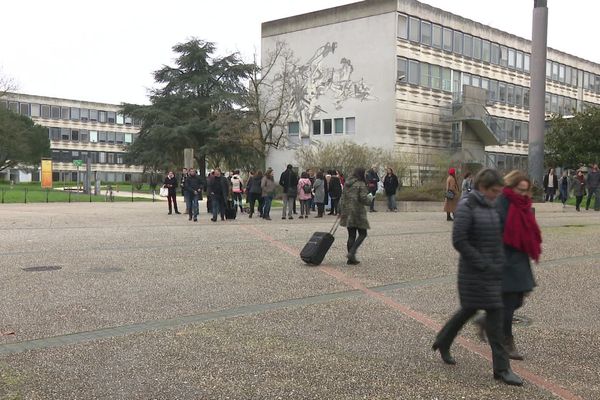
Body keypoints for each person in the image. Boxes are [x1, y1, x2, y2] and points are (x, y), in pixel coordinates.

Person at [432, 168, 523, 386]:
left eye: (499, 191)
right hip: (474, 273)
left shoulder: (490, 206)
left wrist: (500, 261)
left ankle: (443, 341)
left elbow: (495, 237)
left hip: (491, 272)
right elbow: (459, 240)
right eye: (494, 190)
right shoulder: (467, 206)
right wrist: (482, 262)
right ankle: (502, 370)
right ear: (482, 187)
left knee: (469, 312)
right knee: (493, 320)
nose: (497, 195)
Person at [495, 170, 540, 361]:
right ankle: (506, 340)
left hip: (519, 257)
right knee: (509, 304)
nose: (523, 194)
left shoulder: (524, 204)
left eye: (526, 191)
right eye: (520, 190)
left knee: (518, 301)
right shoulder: (501, 203)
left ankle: (487, 321)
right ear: (510, 186)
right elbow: (497, 231)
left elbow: (528, 228)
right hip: (505, 259)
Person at [339, 167, 373, 265]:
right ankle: (352, 253)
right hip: (357, 213)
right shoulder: (361, 184)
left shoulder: (347, 183)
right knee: (363, 233)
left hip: (347, 212)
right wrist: (370, 197)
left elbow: (342, 197)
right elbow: (364, 199)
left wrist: (340, 210)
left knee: (351, 235)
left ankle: (351, 259)